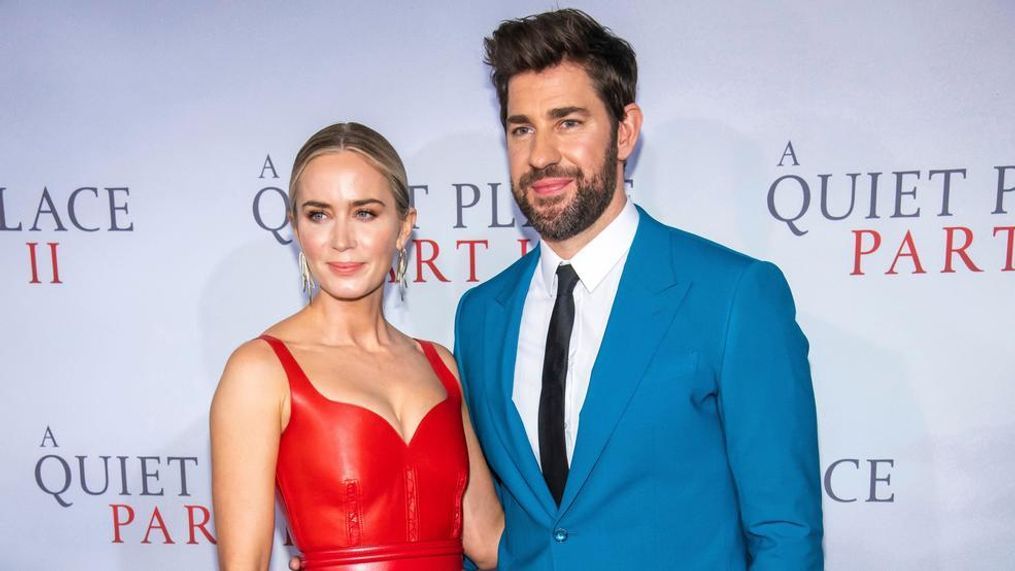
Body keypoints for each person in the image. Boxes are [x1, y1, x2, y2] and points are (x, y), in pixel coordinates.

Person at [453, 9, 823, 569]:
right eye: (521, 127)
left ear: (624, 131)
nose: (541, 155)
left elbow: (784, 536)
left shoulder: (733, 297)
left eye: (568, 122)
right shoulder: (481, 315)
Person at [210, 122, 502, 570]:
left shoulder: (439, 365)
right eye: (319, 214)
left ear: (404, 228)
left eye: (365, 213)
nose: (342, 240)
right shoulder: (261, 371)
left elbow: (487, 540)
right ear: (296, 229)